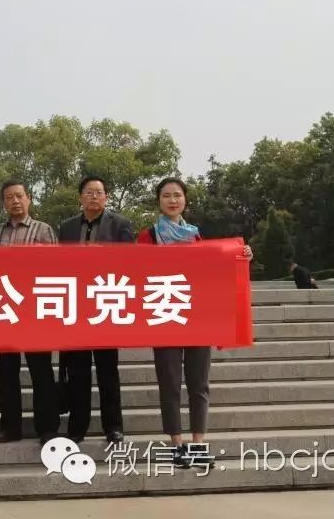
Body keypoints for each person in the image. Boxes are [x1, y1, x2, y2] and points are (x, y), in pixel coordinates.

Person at [138, 178, 254, 468]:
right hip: (165, 315)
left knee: (199, 384)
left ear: (185, 200)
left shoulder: (195, 236)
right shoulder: (147, 237)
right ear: (159, 201)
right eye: (167, 196)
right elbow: (137, 271)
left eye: (177, 195)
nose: (172, 200)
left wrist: (241, 256)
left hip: (197, 318)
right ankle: (177, 445)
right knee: (170, 384)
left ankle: (199, 444)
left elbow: (214, 269)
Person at [58, 176, 134, 444]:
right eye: (89, 192)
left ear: (106, 197)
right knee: (77, 372)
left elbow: (131, 262)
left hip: (105, 302)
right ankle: (77, 428)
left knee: (107, 371)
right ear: (80, 197)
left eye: (99, 192)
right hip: (76, 306)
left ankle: (113, 426)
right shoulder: (67, 228)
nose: (94, 196)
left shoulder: (120, 225)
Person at [0, 179, 61, 445]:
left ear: (29, 199)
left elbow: (56, 268)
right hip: (5, 307)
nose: (15, 201)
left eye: (19, 196)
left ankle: (47, 427)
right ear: (3, 203)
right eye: (9, 197)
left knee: (41, 370)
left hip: (35, 309)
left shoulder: (44, 230)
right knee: (6, 371)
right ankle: (10, 427)